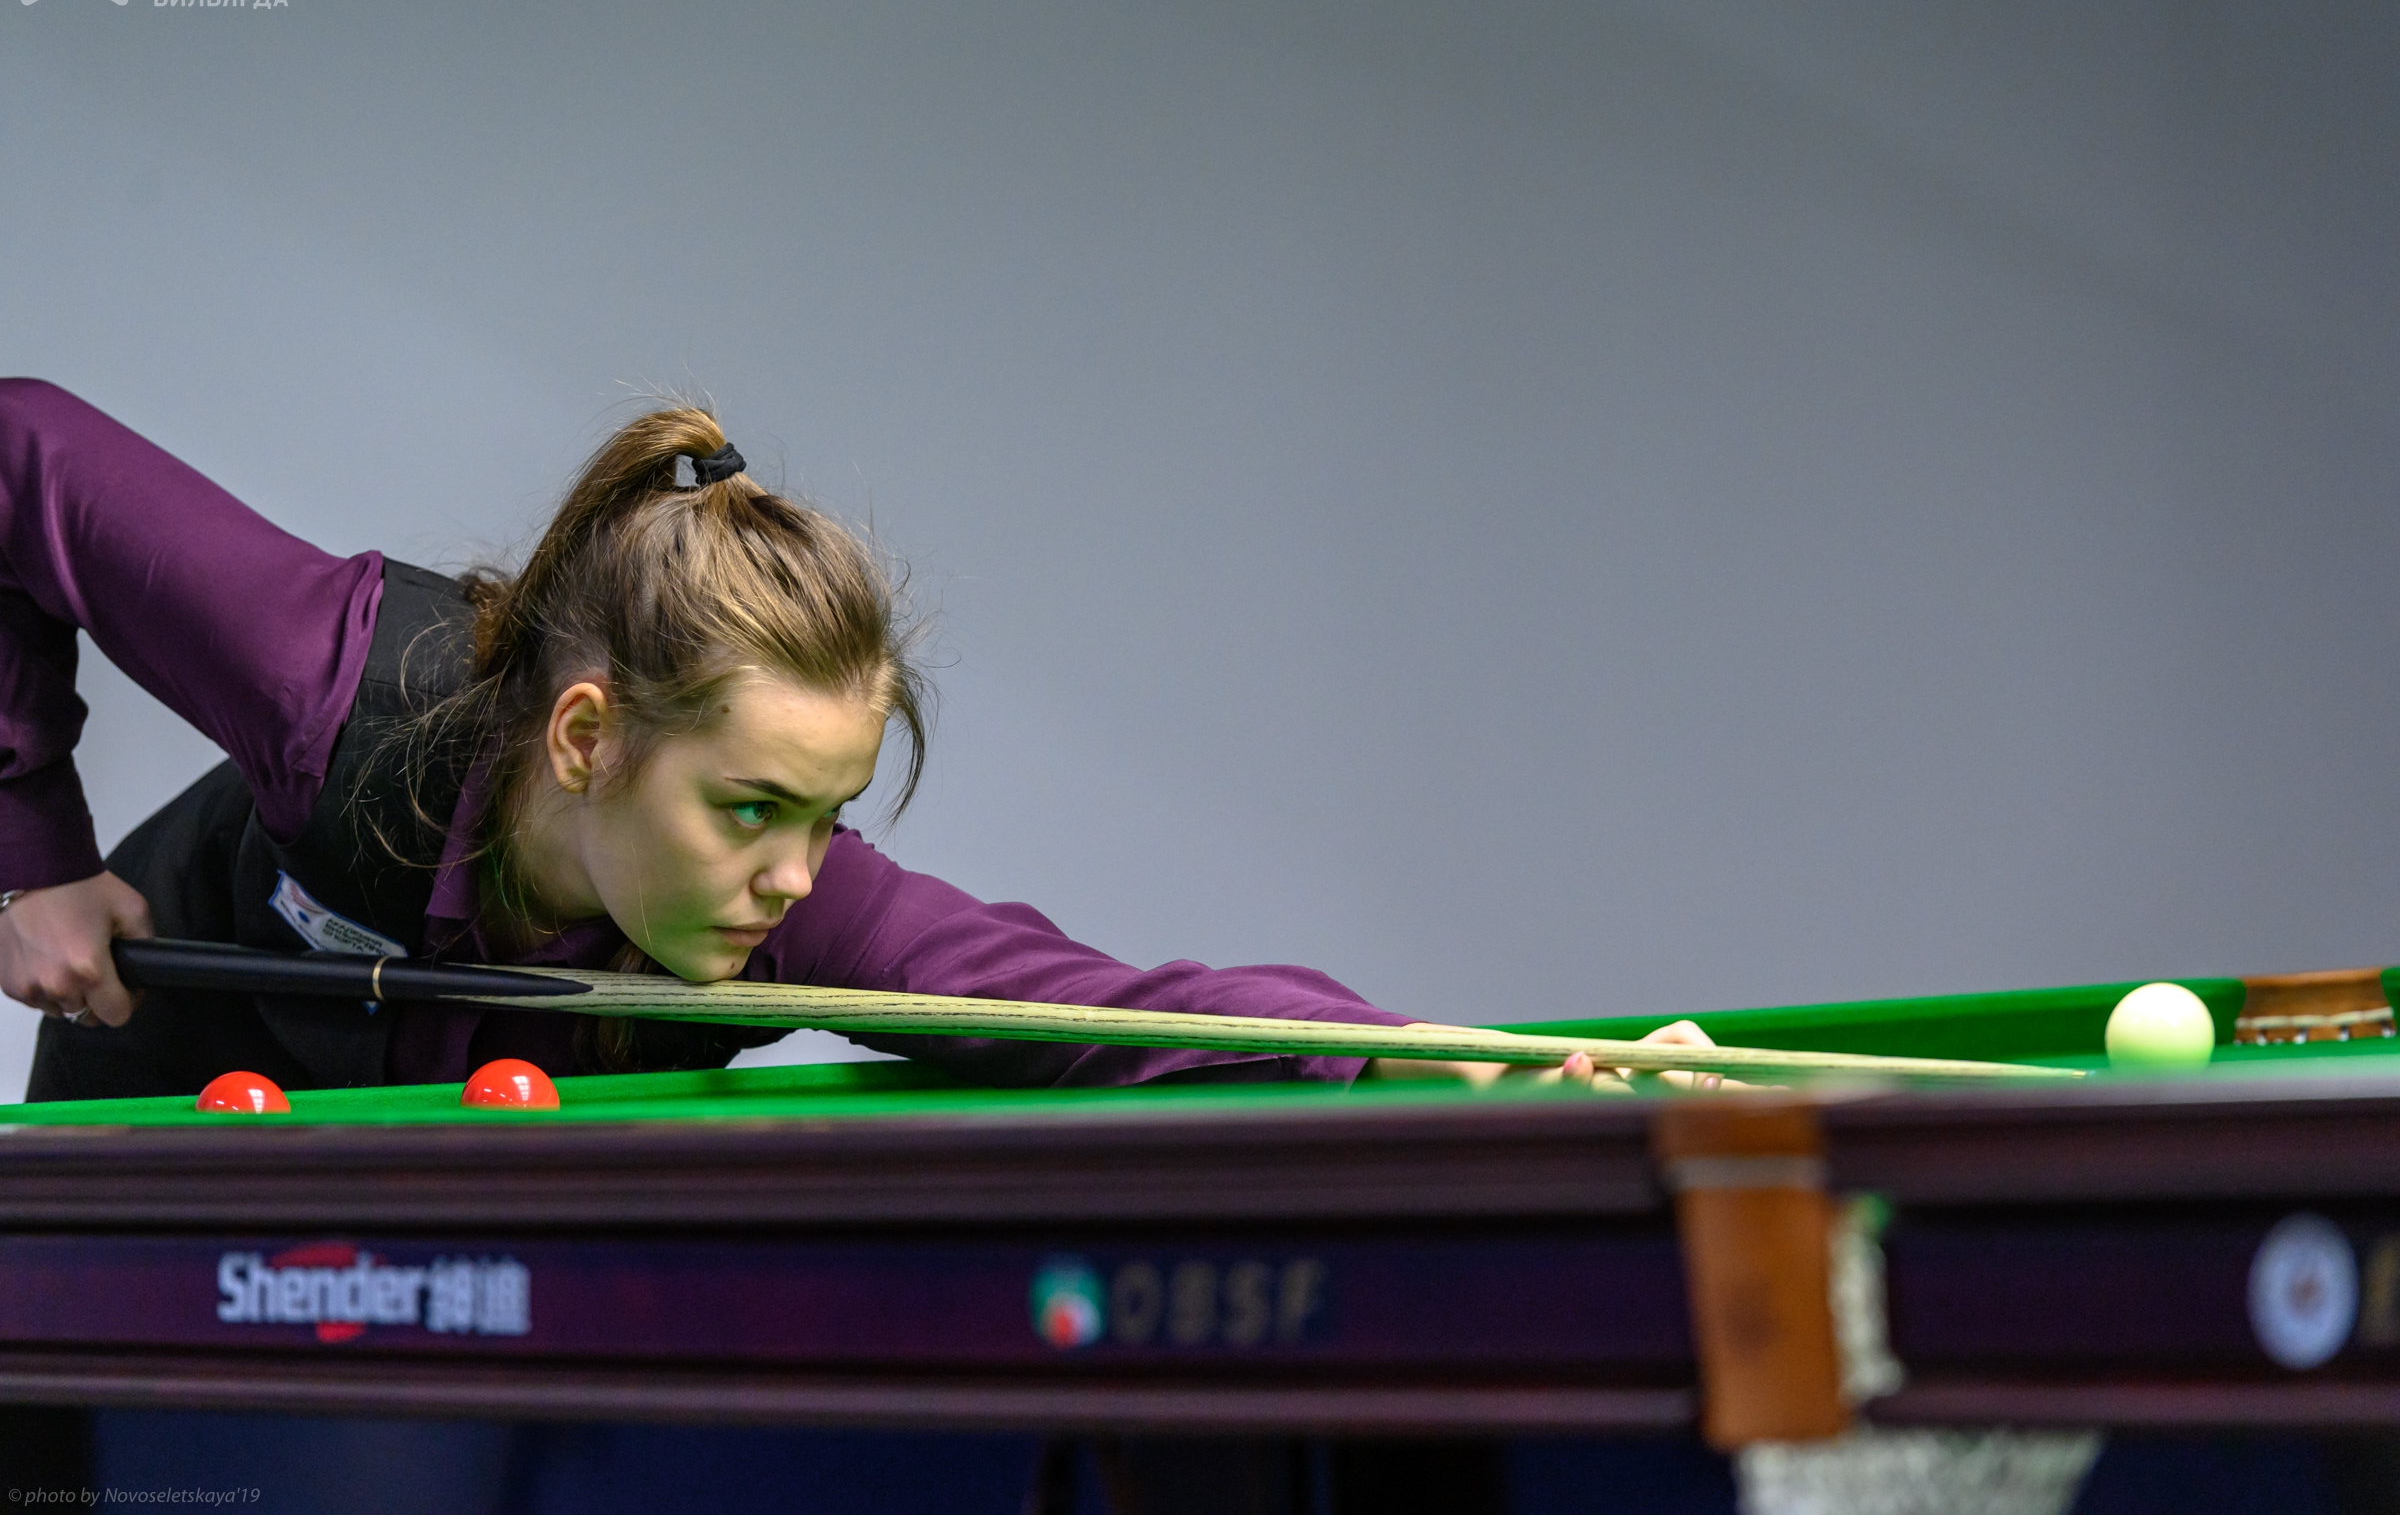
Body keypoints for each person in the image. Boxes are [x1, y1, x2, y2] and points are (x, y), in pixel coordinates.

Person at [0, 380, 1710, 1099]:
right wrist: (35, 855)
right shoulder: (342, 684)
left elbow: (1098, 1006)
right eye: (753, 805)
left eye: (826, 814)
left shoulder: (784, 909)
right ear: (588, 736)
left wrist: (1445, 1062)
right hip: (154, 1111)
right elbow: (20, 447)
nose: (795, 875)